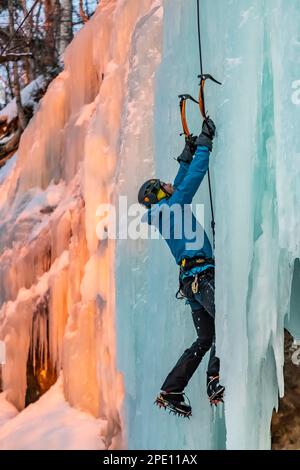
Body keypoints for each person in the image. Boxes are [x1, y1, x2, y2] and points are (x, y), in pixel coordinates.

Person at [138, 118, 224, 417]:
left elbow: (179, 183)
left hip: (191, 284)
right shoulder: (172, 206)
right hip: (202, 277)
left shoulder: (164, 210)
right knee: (226, 319)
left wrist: (185, 154)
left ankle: (171, 389)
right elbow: (191, 181)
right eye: (163, 185)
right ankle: (216, 379)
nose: (168, 184)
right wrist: (203, 146)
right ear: (159, 195)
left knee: (205, 338)